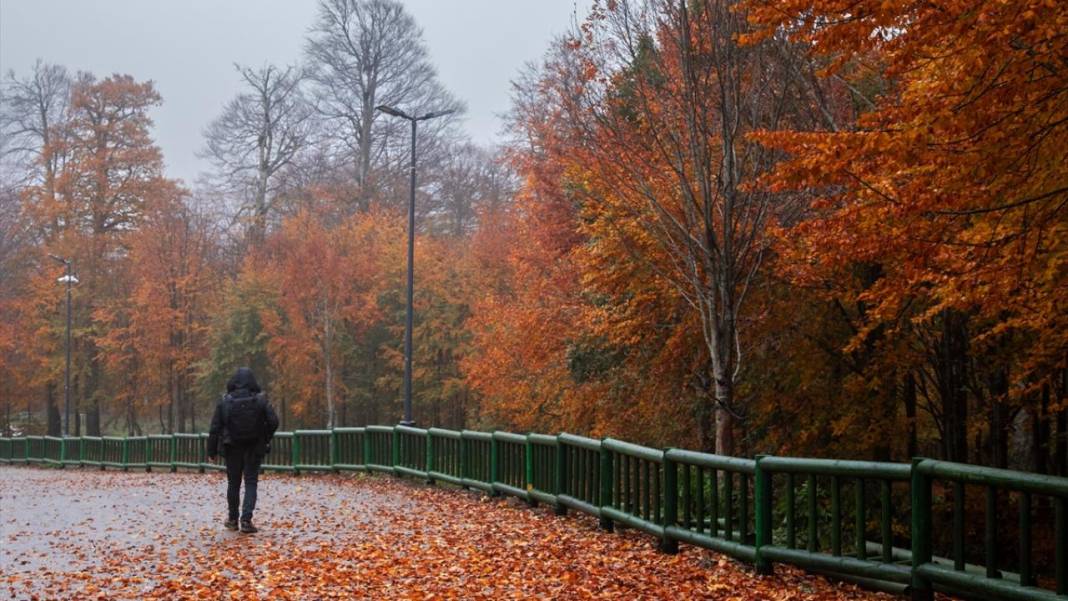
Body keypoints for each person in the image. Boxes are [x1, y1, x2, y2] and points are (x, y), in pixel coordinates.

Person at [207, 367, 279, 533]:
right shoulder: (260, 400)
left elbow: (215, 428)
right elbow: (274, 421)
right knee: (251, 482)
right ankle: (246, 520)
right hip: (254, 446)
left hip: (231, 447)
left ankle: (232, 519)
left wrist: (212, 451)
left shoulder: (225, 401)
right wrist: (265, 437)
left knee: (233, 483)